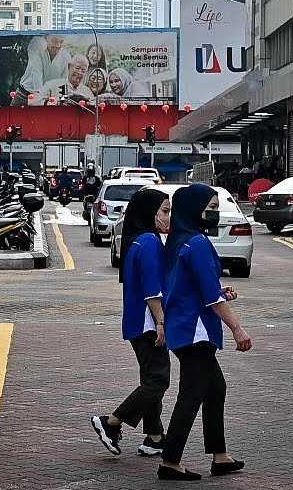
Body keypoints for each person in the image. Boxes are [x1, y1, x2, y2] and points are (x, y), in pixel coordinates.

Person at [158, 184, 252, 481]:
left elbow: (188, 286)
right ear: (193, 209)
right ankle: (170, 461)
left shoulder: (179, 241)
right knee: (191, 395)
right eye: (210, 208)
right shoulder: (197, 243)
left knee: (215, 389)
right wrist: (238, 329)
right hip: (195, 332)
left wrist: (219, 291)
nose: (215, 214)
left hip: (184, 328)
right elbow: (211, 297)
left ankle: (220, 455)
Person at [91, 189, 173, 458]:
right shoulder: (149, 241)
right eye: (164, 211)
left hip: (138, 323)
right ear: (150, 213)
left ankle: (154, 436)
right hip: (148, 324)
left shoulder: (136, 241)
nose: (167, 216)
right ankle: (112, 421)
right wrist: (161, 322)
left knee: (151, 379)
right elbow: (152, 289)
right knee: (158, 381)